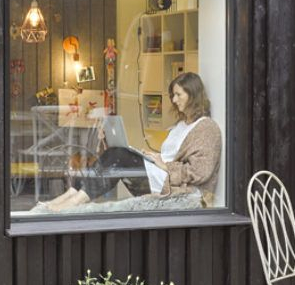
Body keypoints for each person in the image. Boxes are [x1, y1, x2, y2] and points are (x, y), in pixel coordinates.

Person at [40, 71, 222, 211]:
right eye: (173, 95)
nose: (174, 100)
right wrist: (151, 156)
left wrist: (166, 166)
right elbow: (169, 155)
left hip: (170, 183)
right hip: (159, 173)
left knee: (119, 156)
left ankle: (75, 201)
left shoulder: (206, 128)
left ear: (193, 95)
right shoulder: (181, 125)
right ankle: (70, 194)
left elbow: (201, 172)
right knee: (114, 153)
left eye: (178, 95)